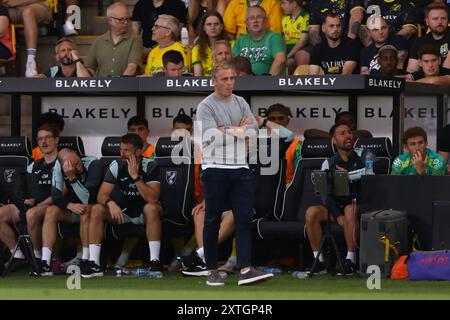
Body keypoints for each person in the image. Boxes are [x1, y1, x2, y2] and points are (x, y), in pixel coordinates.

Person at [196, 62, 273, 285]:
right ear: (214, 81)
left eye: (232, 78)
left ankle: (246, 269)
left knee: (244, 219)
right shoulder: (205, 106)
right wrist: (238, 130)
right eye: (224, 79)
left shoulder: (240, 102)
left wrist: (226, 129)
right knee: (212, 221)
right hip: (215, 169)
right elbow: (212, 138)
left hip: (241, 168)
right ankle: (212, 270)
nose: (229, 83)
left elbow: (253, 130)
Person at [84, 133, 163, 278]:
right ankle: (94, 264)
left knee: (151, 208)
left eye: (127, 150)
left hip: (144, 213)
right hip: (124, 212)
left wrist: (135, 177)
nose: (122, 154)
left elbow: (152, 198)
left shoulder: (150, 165)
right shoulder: (117, 165)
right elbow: (101, 195)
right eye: (121, 150)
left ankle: (154, 262)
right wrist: (111, 203)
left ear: (139, 151)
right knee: (96, 209)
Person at [305, 122, 364, 275]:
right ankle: (319, 262)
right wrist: (338, 216)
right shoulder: (328, 163)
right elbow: (324, 195)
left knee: (350, 210)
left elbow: (369, 179)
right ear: (334, 140)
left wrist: (348, 176)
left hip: (357, 205)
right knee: (312, 212)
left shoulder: (363, 156)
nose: (348, 136)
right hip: (337, 209)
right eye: (342, 133)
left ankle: (350, 261)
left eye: (349, 132)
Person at [0, 126, 58, 270]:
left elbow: (61, 192)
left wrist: (39, 204)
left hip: (53, 205)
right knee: (1, 214)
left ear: (56, 140)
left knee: (32, 214)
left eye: (47, 138)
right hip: (34, 204)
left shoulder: (62, 162)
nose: (43, 142)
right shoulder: (34, 165)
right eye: (40, 139)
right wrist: (24, 200)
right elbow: (25, 188)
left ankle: (37, 258)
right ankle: (17, 254)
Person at [40, 148, 103, 276]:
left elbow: (88, 198)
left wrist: (72, 178)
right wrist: (69, 205)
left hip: (92, 211)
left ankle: (85, 259)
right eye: (71, 165)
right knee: (51, 210)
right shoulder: (59, 167)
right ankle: (45, 263)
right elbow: (56, 197)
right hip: (72, 209)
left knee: (86, 208)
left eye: (76, 162)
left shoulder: (93, 164)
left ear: (77, 154)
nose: (76, 166)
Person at [85, 2, 143, 77]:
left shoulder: (135, 40)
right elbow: (90, 69)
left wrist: (118, 85)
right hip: (102, 86)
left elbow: (131, 68)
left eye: (127, 19)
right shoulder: (98, 41)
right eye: (121, 19)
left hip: (126, 86)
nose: (125, 22)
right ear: (110, 20)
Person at [3, 0, 53, 77]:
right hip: (12, 9)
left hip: (38, 5)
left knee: (28, 12)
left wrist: (18, 2)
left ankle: (31, 61)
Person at [232, 6, 287, 76]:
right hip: (245, 83)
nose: (255, 21)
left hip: (269, 82)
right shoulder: (241, 40)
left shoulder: (274, 37)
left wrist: (266, 80)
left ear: (266, 21)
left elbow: (280, 60)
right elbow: (233, 64)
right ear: (246, 23)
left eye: (259, 17)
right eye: (251, 18)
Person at [260, 103, 299, 185]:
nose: (277, 121)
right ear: (267, 121)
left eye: (281, 118)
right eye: (272, 119)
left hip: (287, 190)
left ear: (287, 121)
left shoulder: (296, 145)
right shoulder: (259, 143)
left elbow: (298, 177)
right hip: (264, 188)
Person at [409, 2, 450, 72]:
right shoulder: (420, 42)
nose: (440, 22)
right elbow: (412, 70)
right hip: (424, 81)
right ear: (427, 21)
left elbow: (447, 72)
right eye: (435, 19)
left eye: (443, 18)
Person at [192, 11, 228, 76]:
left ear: (222, 26)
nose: (212, 27)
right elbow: (198, 77)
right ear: (203, 28)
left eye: (216, 24)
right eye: (209, 24)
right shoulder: (197, 48)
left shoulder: (231, 45)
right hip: (205, 84)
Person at [280, 0, 309, 74]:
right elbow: (283, 39)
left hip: (300, 49)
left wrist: (288, 56)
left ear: (293, 4)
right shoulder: (284, 18)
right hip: (286, 49)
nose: (281, 6)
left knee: (289, 62)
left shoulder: (306, 17)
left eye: (283, 3)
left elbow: (303, 42)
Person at [304, 111, 373, 140]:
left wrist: (338, 137)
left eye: (350, 122)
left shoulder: (362, 135)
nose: (347, 125)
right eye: (343, 122)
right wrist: (335, 137)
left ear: (355, 124)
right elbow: (308, 133)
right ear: (336, 125)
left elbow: (366, 134)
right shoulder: (332, 138)